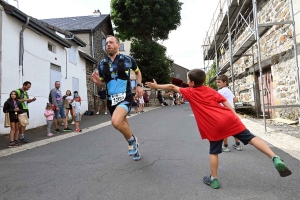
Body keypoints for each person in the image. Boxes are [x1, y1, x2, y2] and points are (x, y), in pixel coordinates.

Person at [145, 69, 292, 189]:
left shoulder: (190, 92)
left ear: (191, 82)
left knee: (214, 151)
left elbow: (171, 87)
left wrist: (155, 86)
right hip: (228, 118)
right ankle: (275, 158)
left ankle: (213, 179)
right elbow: (224, 101)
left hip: (213, 124)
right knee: (252, 138)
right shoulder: (210, 89)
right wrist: (234, 114)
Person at [91, 35, 143, 161]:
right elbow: (101, 84)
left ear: (118, 45)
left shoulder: (127, 59)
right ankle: (135, 149)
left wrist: (139, 85)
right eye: (106, 43)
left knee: (116, 122)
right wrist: (96, 82)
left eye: (111, 42)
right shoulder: (102, 63)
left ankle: (132, 141)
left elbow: (137, 72)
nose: (108, 44)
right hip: (111, 100)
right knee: (123, 124)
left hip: (125, 96)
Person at [216, 74, 242, 152]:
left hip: (223, 112)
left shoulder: (220, 91)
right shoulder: (228, 90)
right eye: (217, 82)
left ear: (225, 82)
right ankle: (238, 145)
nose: (217, 84)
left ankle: (226, 146)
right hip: (232, 111)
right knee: (234, 128)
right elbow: (235, 99)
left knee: (225, 130)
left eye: (219, 82)